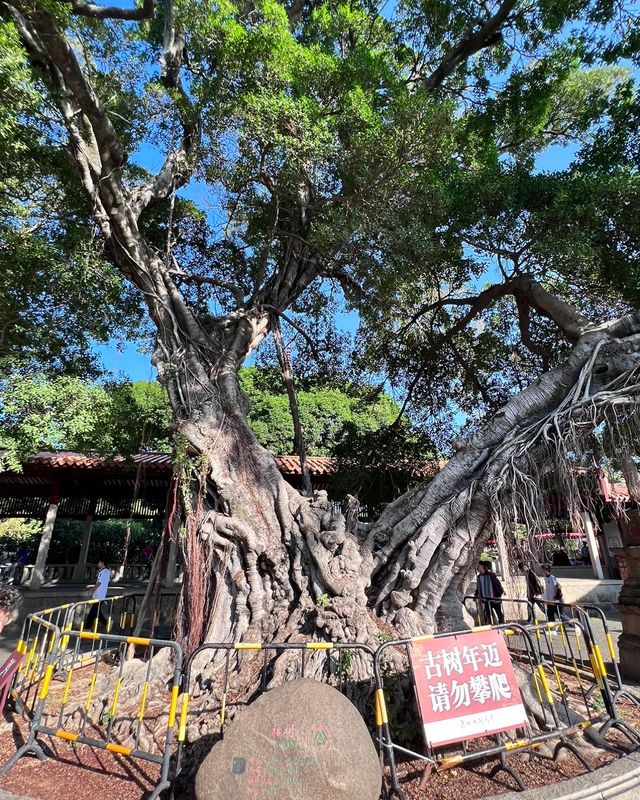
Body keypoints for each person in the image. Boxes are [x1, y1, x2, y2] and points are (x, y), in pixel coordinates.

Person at [85, 559, 110, 630]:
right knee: (95, 611)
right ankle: (104, 623)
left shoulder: (103, 572)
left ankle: (88, 627)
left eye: (99, 562)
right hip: (101, 594)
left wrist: (92, 590)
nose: (98, 564)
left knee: (94, 611)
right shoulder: (106, 572)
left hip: (99, 595)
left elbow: (99, 583)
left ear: (102, 563)